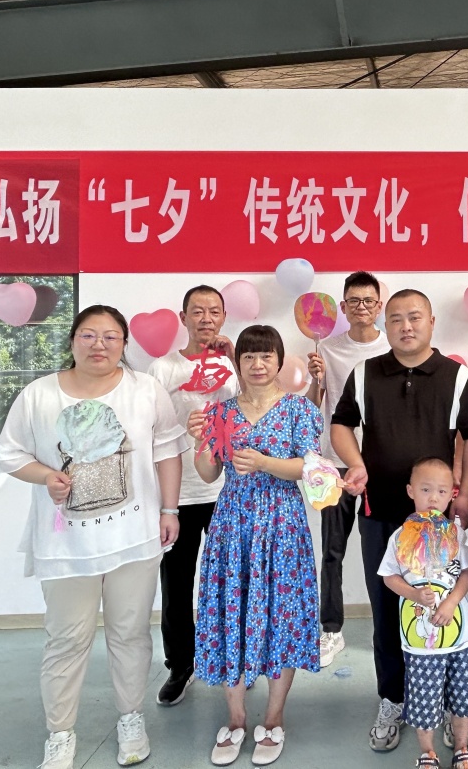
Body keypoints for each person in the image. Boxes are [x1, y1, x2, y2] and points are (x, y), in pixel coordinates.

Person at [0, 305, 185, 769]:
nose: (100, 344)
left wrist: (170, 509)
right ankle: (60, 733)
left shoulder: (145, 390)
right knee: (66, 639)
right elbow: (10, 454)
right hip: (65, 545)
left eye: (111, 336)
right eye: (89, 335)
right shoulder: (39, 395)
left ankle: (131, 719)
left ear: (123, 344)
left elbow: (167, 451)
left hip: (134, 538)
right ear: (73, 340)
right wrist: (45, 476)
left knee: (130, 633)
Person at [331, 289, 468, 753]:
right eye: (396, 318)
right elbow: (340, 424)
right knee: (387, 612)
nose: (405, 326)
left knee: (446, 608)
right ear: (386, 324)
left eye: (414, 317)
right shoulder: (365, 373)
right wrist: (355, 463)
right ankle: (393, 699)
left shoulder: (457, 377)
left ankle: (449, 705)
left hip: (439, 521)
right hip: (382, 513)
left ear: (431, 321)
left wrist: (463, 494)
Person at [189, 324, 324, 767]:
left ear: (280, 361)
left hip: (282, 524)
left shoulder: (299, 410)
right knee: (231, 611)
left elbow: (308, 468)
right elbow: (209, 474)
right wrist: (200, 443)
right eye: (248, 356)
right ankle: (236, 718)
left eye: (266, 355)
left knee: (281, 614)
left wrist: (265, 462)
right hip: (233, 524)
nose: (258, 364)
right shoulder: (220, 412)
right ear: (238, 363)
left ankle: (274, 717)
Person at [147, 284, 238, 706]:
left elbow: (253, 412)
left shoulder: (233, 367)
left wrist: (232, 358)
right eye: (198, 311)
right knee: (177, 585)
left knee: (230, 581)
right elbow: (147, 427)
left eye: (214, 311)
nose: (206, 318)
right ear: (183, 318)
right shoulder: (163, 369)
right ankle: (181, 665)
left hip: (225, 490)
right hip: (177, 494)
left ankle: (232, 659)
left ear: (223, 318)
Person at [306, 270, 390, 668]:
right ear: (343, 307)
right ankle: (331, 628)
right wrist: (316, 381)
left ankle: (388, 627)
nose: (361, 307)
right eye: (353, 301)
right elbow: (312, 408)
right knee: (332, 551)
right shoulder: (327, 348)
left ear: (379, 306)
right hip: (335, 463)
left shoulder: (392, 346)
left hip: (381, 462)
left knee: (387, 549)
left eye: (368, 301)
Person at [379, 458, 468, 769]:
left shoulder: (457, 534)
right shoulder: (400, 536)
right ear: (410, 491)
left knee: (463, 696)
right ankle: (427, 752)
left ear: (452, 494)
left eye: (441, 491)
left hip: (460, 638)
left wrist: (451, 602)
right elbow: (388, 576)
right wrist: (413, 594)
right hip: (419, 641)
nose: (433, 498)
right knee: (424, 699)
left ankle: (461, 745)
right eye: (425, 490)